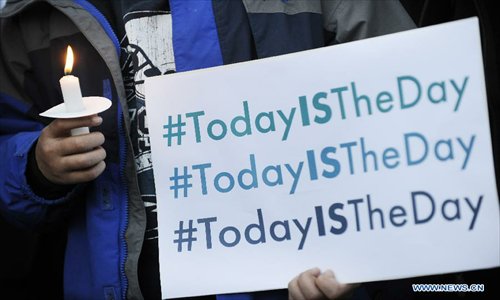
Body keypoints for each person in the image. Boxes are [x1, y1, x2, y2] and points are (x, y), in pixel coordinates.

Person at [0, 0, 415, 299]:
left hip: (289, 277)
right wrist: (37, 166)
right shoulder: (33, 15)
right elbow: (8, 143)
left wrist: (360, 256)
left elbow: (411, 117)